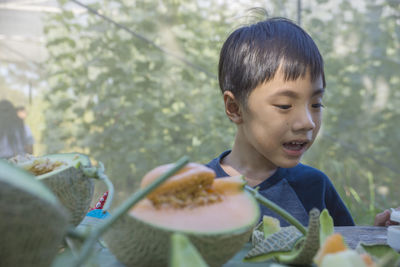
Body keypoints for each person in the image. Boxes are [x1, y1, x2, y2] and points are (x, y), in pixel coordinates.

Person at [205, 16, 354, 227]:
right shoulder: (195, 189)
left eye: (316, 104)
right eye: (284, 105)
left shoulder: (315, 186)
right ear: (234, 108)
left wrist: (379, 236)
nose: (307, 122)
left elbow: (344, 252)